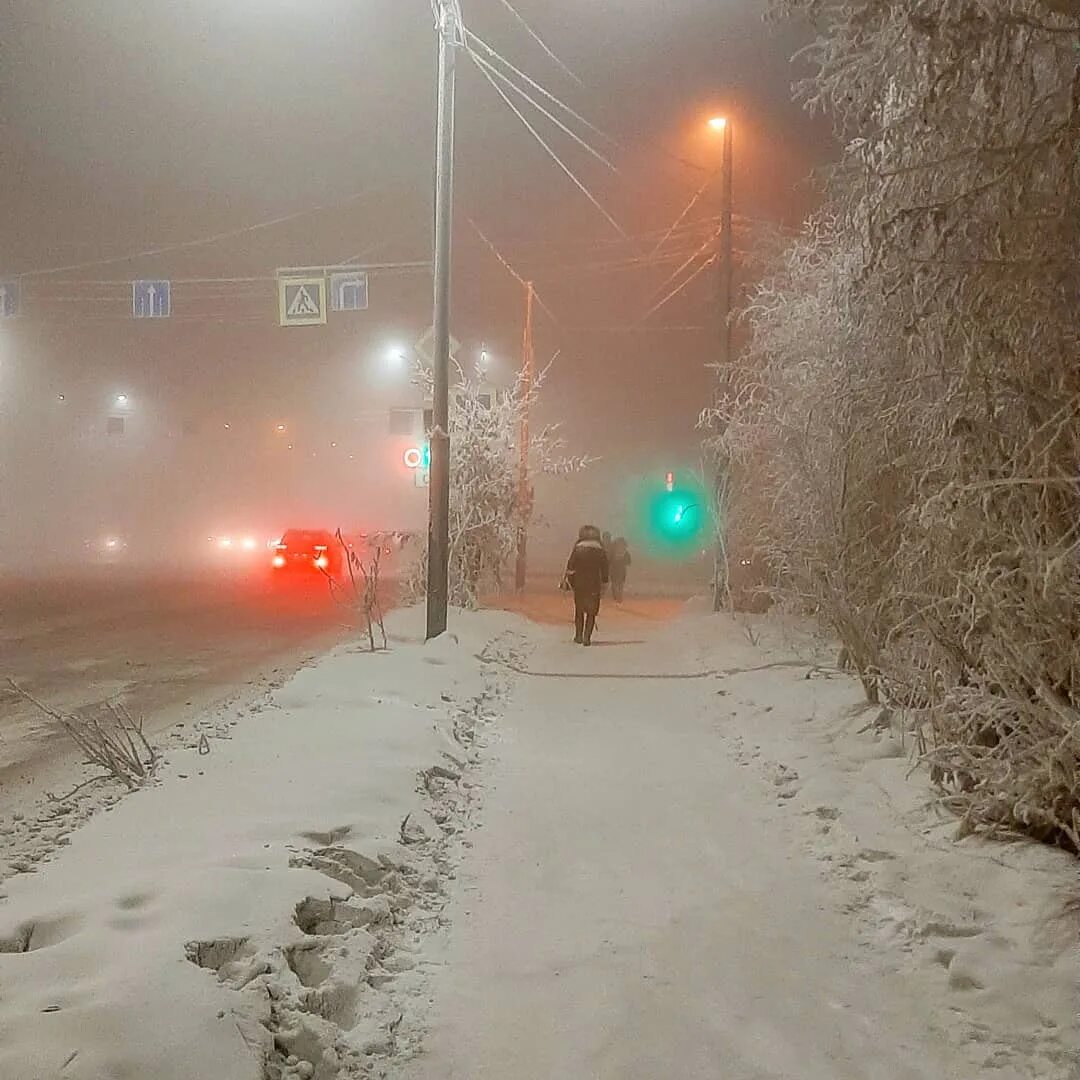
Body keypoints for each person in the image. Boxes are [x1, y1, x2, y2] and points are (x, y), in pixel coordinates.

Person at [563, 524, 609, 645]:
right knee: (591, 612)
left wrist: (571, 582)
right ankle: (587, 637)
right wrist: (604, 583)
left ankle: (578, 635)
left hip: (580, 583)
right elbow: (605, 569)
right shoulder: (600, 550)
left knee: (579, 610)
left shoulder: (578, 549)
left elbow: (570, 567)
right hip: (594, 584)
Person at [609, 536, 631, 602]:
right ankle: (618, 597)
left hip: (616, 570)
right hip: (619, 570)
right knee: (618, 584)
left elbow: (609, 560)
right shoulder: (625, 553)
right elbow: (628, 562)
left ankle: (617, 597)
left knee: (616, 584)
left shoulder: (613, 552)